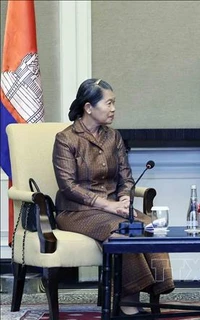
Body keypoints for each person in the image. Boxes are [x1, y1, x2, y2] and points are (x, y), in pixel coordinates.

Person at [53, 78, 174, 316]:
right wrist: (108, 205)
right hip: (76, 211)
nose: (113, 109)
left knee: (150, 226)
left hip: (112, 208)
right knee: (123, 229)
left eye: (114, 103)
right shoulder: (66, 139)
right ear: (89, 107)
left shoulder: (114, 137)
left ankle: (154, 294)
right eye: (108, 103)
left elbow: (125, 178)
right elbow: (68, 186)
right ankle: (128, 305)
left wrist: (125, 197)